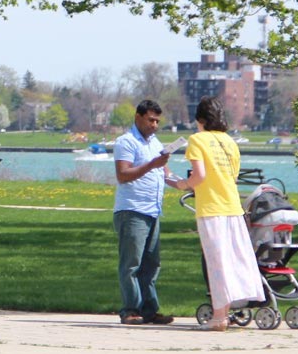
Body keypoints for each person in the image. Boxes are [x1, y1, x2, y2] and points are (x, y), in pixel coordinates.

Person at [176, 96, 266, 331]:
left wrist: (182, 184)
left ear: (200, 119)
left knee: (216, 263)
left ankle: (219, 318)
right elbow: (232, 177)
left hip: (211, 208)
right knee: (231, 261)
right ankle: (223, 314)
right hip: (233, 207)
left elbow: (199, 176)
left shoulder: (197, 140)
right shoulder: (230, 142)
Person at [111, 99, 175, 325]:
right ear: (138, 117)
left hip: (152, 211)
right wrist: (151, 165)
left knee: (151, 264)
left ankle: (149, 310)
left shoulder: (155, 142)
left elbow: (165, 173)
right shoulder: (126, 141)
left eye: (157, 121)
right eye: (150, 120)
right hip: (132, 210)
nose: (154, 125)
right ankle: (130, 310)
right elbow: (123, 175)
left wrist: (187, 185)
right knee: (131, 264)